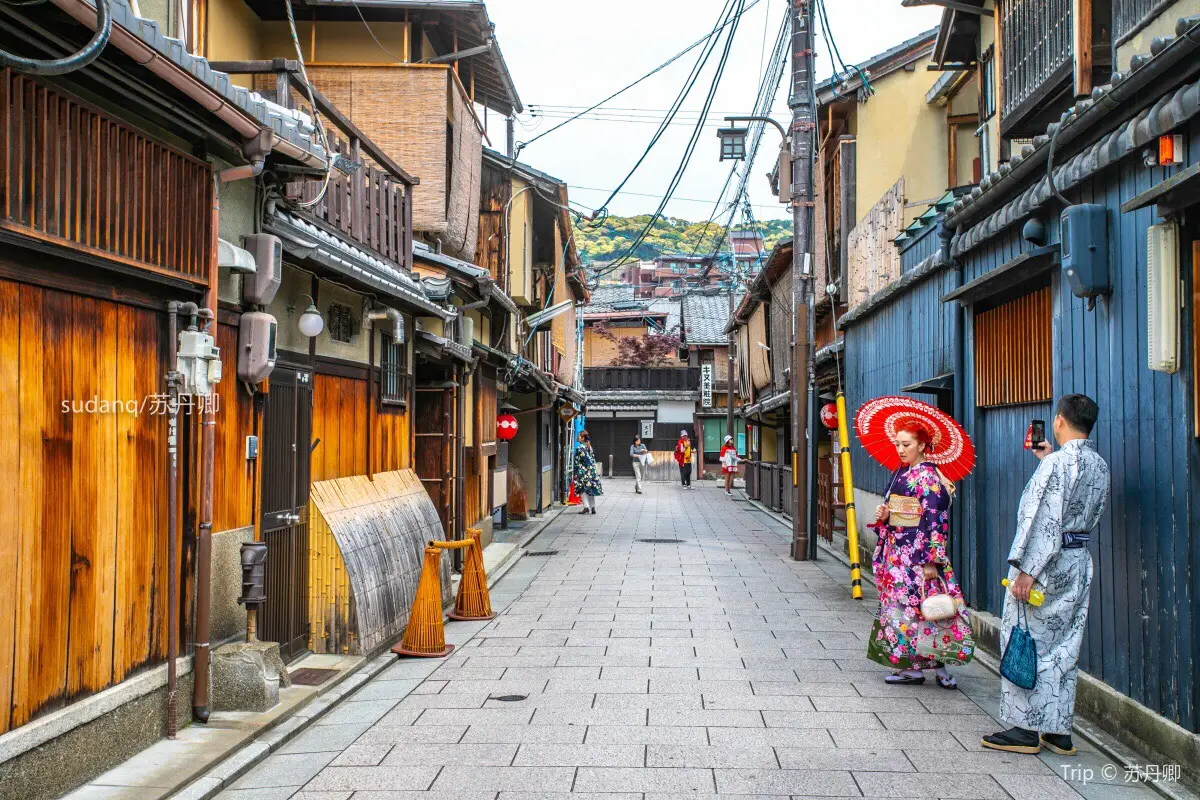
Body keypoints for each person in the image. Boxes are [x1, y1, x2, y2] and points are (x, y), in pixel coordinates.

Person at [983, 394, 1109, 757]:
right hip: (1077, 560)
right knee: (1065, 644)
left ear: (1059, 421)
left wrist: (1026, 571)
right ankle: (1058, 731)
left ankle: (1025, 728)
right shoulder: (1098, 464)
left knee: (1026, 637)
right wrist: (1046, 458)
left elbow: (1041, 520)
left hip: (1046, 565)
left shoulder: (1056, 464)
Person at [867, 421, 972, 689]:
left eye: (907, 444)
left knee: (931, 610)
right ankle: (911, 668)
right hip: (899, 555)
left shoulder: (929, 477)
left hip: (918, 555)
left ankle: (941, 668)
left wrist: (931, 560)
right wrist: (885, 515)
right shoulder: (902, 473)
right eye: (898, 444)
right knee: (905, 613)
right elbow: (896, 512)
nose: (900, 450)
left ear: (922, 445)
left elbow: (935, 521)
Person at [572, 430, 602, 515]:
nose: (577, 437)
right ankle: (593, 507)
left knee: (582, 489)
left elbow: (577, 462)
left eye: (579, 436)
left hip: (583, 471)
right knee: (590, 488)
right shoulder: (589, 447)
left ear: (582, 438)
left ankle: (586, 507)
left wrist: (575, 473)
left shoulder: (580, 448)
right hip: (591, 471)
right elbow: (592, 459)